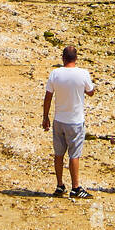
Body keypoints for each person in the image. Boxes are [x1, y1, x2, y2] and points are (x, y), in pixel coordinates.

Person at [42, 44, 95, 199]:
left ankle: (59, 185)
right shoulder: (82, 73)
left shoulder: (55, 73)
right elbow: (91, 92)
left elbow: (48, 96)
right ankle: (76, 187)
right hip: (75, 121)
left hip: (59, 119)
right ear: (76, 58)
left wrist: (45, 117)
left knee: (58, 154)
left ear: (63, 58)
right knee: (74, 155)